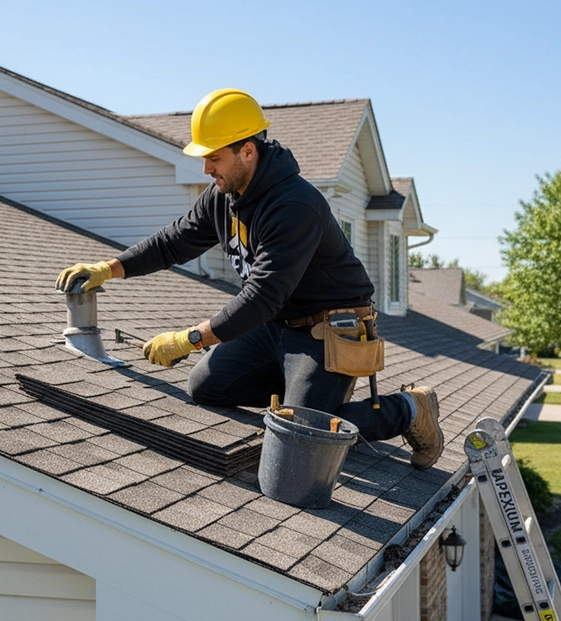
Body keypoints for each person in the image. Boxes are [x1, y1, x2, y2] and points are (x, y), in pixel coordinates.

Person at [56, 88, 443, 469]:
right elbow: (175, 241)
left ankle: (408, 409)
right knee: (206, 387)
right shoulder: (224, 195)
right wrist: (110, 267)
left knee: (300, 437)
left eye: (214, 157)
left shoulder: (295, 204)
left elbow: (262, 296)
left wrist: (190, 339)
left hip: (330, 330)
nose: (207, 168)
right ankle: (311, 396)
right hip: (276, 325)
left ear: (248, 150)